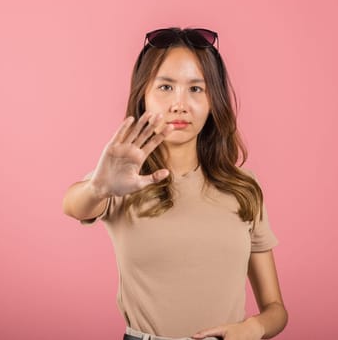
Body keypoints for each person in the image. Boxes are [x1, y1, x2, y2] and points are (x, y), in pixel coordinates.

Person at [62, 27, 288, 340]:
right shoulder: (124, 180)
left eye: (197, 89)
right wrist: (99, 188)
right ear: (143, 94)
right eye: (166, 87)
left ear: (214, 100)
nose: (179, 105)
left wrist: (254, 327)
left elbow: (276, 309)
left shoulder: (244, 188)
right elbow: (73, 204)